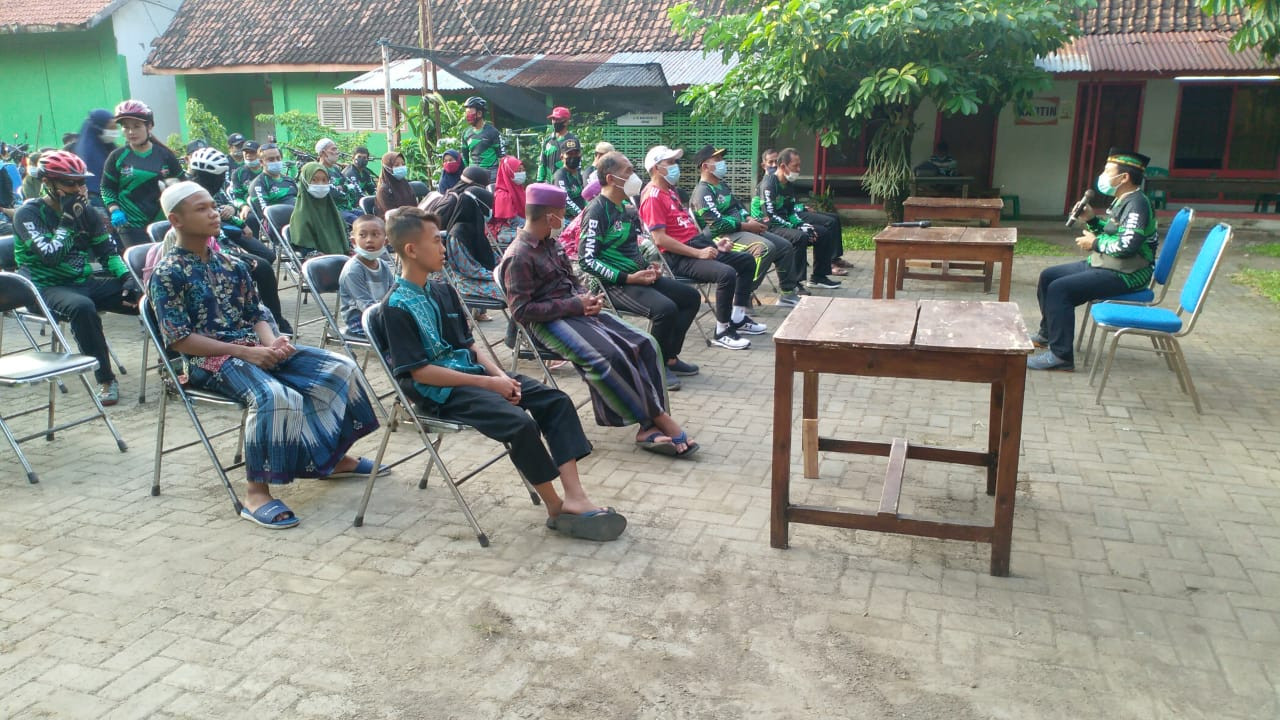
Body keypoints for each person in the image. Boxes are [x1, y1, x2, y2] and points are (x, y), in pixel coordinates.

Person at [381, 207, 627, 540]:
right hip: (440, 392)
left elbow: (469, 347)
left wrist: (502, 378)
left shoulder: (442, 290)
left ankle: (576, 497)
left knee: (555, 400)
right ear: (411, 249)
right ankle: (555, 507)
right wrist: (489, 383)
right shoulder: (395, 307)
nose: (443, 248)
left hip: (475, 376)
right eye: (436, 242)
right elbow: (421, 373)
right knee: (519, 423)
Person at [149, 181, 383, 529]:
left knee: (339, 368)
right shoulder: (167, 273)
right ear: (176, 220)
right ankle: (256, 492)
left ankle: (331, 457)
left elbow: (257, 312)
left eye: (213, 205)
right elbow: (180, 340)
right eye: (201, 209)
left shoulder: (232, 263)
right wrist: (248, 353)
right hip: (206, 361)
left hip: (252, 348)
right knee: (274, 395)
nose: (214, 213)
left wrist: (271, 343)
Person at [500, 183, 699, 458]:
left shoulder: (552, 244)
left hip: (577, 311)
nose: (564, 220)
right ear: (549, 216)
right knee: (609, 355)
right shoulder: (519, 255)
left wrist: (588, 298)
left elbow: (572, 281)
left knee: (645, 343)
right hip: (545, 323)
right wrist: (574, 304)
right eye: (560, 213)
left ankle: (651, 421)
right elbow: (521, 311)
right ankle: (655, 420)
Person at [12, 151, 139, 405]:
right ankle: (105, 379)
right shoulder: (28, 214)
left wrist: (127, 276)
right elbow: (50, 255)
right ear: (48, 184)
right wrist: (69, 220)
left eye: (81, 182)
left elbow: (107, 253)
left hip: (83, 281)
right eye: (70, 183)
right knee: (83, 308)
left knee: (147, 295)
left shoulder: (88, 212)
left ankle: (178, 364)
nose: (79, 189)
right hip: (44, 288)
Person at [578, 151, 701, 389]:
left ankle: (669, 357)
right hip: (611, 284)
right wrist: (627, 276)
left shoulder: (625, 208)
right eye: (628, 172)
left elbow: (632, 248)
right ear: (612, 179)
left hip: (636, 277)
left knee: (690, 297)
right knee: (665, 309)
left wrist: (649, 268)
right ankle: (653, 368)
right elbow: (587, 260)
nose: (635, 176)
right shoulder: (596, 211)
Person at [1028, 149, 1158, 372]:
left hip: (1128, 274)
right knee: (1049, 277)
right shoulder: (1123, 200)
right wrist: (1091, 220)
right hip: (1107, 263)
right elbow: (1112, 233)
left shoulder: (1137, 204)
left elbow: (1128, 246)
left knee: (1060, 289)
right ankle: (1048, 334)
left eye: (1108, 171)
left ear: (1124, 177)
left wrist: (1095, 244)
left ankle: (1061, 357)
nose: (1104, 176)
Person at [640, 145, 764, 351]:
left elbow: (685, 228)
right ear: (655, 168)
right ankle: (722, 331)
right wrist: (699, 253)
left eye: (675, 162)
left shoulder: (670, 192)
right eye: (669, 163)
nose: (675, 166)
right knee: (726, 274)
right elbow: (660, 239)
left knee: (746, 261)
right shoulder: (652, 197)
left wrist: (714, 244)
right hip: (679, 257)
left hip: (695, 246)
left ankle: (738, 318)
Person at [186, 147, 292, 334]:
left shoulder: (215, 192)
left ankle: (263, 311)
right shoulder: (187, 196)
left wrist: (235, 216)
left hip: (226, 234)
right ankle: (273, 321)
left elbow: (227, 206)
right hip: (210, 245)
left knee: (266, 256)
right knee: (260, 268)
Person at [690, 144, 801, 307]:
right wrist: (746, 226)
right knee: (765, 248)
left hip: (740, 229)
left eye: (722, 159)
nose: (722, 162)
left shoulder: (722, 186)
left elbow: (738, 207)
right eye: (718, 159)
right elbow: (716, 225)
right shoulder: (703, 191)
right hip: (720, 237)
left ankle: (787, 293)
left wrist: (749, 219)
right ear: (705, 166)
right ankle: (742, 296)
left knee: (784, 246)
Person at [752, 147, 842, 289]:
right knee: (799, 237)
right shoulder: (768, 184)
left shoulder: (788, 184)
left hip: (785, 224)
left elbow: (791, 211)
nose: (799, 169)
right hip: (770, 226)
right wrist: (796, 227)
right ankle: (794, 282)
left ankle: (818, 277)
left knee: (823, 232)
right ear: (783, 166)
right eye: (795, 166)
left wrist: (801, 224)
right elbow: (771, 215)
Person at [101, 100, 183, 247]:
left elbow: (183, 187)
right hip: (130, 226)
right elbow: (107, 188)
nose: (131, 132)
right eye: (126, 127)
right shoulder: (116, 156)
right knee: (142, 267)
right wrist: (115, 210)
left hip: (164, 224)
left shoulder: (165, 155)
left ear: (149, 126)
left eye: (137, 126)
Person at [441, 167, 503, 302]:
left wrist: (508, 267)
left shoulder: (476, 229)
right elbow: (469, 270)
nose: (489, 212)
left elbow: (493, 257)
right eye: (487, 207)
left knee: (521, 286)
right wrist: (497, 275)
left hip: (486, 277)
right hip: (467, 282)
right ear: (477, 207)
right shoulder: (457, 235)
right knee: (512, 291)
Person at [338, 214, 395, 338]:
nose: (369, 240)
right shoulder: (353, 270)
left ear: (385, 241)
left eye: (375, 234)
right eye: (362, 235)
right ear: (354, 241)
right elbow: (364, 305)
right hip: (359, 320)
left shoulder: (384, 266)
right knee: (397, 332)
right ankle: (393, 357)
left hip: (380, 314)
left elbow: (393, 294)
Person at [290, 162, 350, 257]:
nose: (320, 184)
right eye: (314, 180)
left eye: (324, 180)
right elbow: (303, 246)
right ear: (305, 182)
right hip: (320, 265)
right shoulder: (301, 215)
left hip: (343, 259)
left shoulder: (333, 211)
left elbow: (346, 238)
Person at [71, 109, 119, 209]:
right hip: (96, 199)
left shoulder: (107, 147)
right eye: (111, 127)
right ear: (98, 128)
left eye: (115, 127)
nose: (115, 131)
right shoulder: (89, 153)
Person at [316, 138, 361, 225]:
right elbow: (333, 193)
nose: (337, 152)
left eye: (336, 149)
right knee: (358, 222)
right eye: (333, 149)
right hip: (332, 210)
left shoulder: (336, 169)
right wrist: (345, 188)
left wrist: (343, 188)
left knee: (368, 217)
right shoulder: (320, 171)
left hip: (347, 208)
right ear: (322, 153)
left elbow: (353, 186)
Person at [250, 144, 298, 220]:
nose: (276, 161)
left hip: (300, 218)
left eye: (278, 158)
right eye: (271, 159)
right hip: (280, 224)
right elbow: (265, 212)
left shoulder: (289, 180)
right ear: (261, 162)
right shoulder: (258, 183)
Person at [488, 156, 526, 249]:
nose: (521, 173)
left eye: (522, 170)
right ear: (509, 172)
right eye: (518, 170)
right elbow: (513, 221)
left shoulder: (518, 189)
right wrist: (533, 224)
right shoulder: (502, 195)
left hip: (520, 227)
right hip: (506, 230)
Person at [460, 97, 504, 175]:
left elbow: (501, 156)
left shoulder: (493, 132)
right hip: (473, 174)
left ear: (479, 113)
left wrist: (501, 176)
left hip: (491, 174)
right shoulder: (466, 133)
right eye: (466, 113)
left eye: (470, 113)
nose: (467, 116)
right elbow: (465, 156)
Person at [536, 106, 577, 183]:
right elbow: (542, 163)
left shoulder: (572, 141)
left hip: (567, 183)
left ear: (566, 121)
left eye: (558, 119)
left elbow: (576, 166)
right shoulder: (548, 140)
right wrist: (540, 181)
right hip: (549, 184)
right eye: (553, 119)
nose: (554, 122)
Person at [552, 138, 586, 220]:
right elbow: (566, 200)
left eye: (576, 153)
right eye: (569, 154)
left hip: (582, 217)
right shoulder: (560, 175)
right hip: (568, 220)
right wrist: (582, 215)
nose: (573, 156)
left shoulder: (580, 174)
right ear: (562, 157)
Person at [375, 151, 416, 218]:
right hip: (393, 224)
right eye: (396, 165)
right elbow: (391, 215)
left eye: (403, 164)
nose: (401, 167)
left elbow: (414, 206)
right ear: (387, 168)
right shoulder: (384, 190)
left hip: (410, 219)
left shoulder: (405, 184)